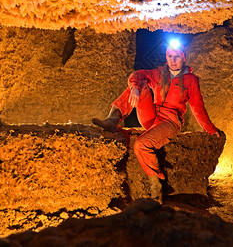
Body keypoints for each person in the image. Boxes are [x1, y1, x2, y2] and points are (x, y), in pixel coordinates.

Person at [92, 40, 220, 203]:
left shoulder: (191, 80)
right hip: (152, 117)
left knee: (141, 144)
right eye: (170, 56)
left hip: (170, 122)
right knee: (138, 85)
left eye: (177, 56)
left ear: (183, 58)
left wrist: (210, 129)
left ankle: (156, 185)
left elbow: (198, 108)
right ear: (166, 58)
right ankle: (113, 119)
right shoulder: (160, 73)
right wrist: (135, 88)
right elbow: (138, 74)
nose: (173, 60)